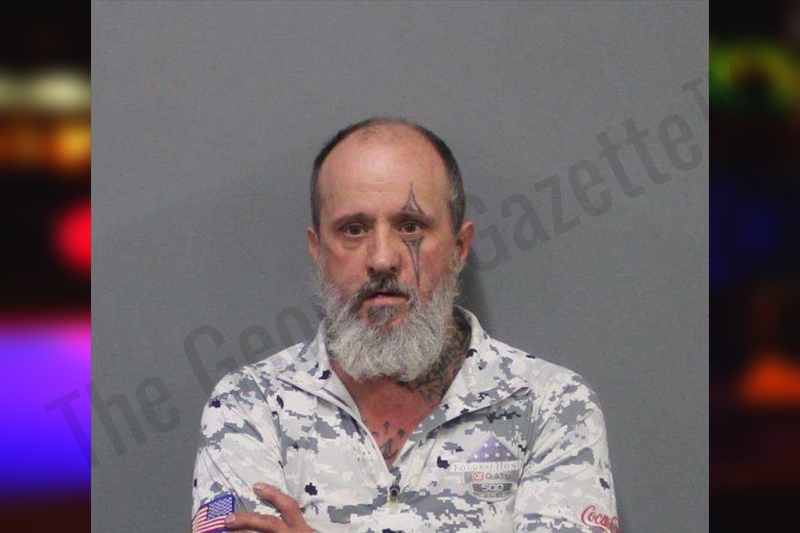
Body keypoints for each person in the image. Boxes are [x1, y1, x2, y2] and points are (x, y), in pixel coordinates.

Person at [190, 118, 619, 533]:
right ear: (318, 250)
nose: (382, 259)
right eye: (354, 229)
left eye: (411, 227)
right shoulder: (250, 405)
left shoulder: (550, 405)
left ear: (459, 248)